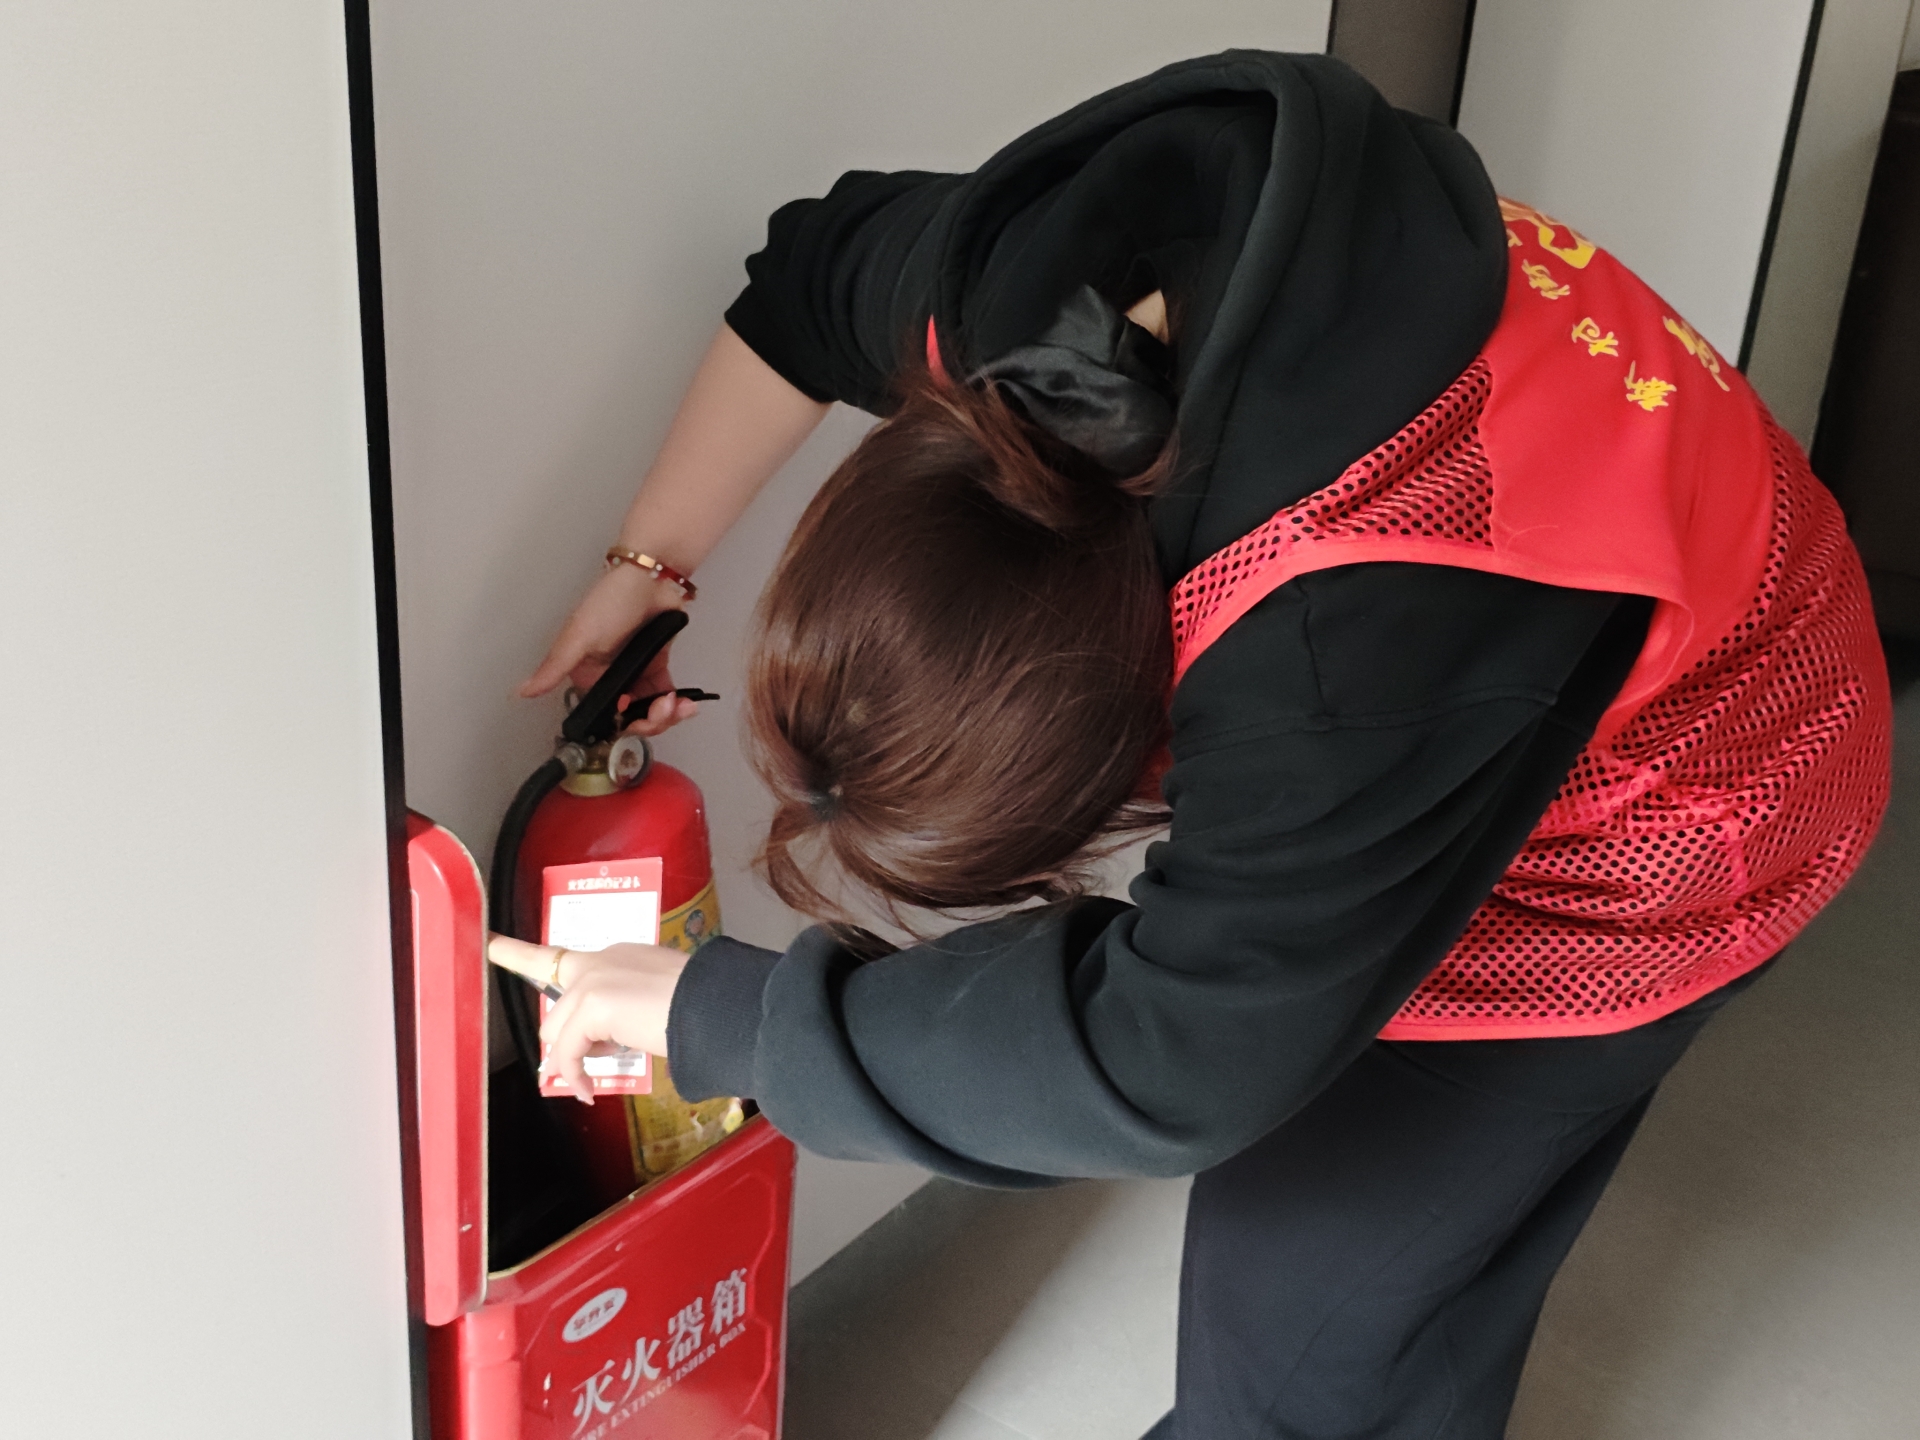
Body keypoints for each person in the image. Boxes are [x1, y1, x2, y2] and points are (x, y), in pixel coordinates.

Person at [488, 51, 1893, 1439]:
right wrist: (647, 570)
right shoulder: (1013, 318)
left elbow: (1175, 1059)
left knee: (1314, 1356)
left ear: (1148, 730)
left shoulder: (1329, 664)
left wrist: (725, 1021)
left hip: (1705, 785)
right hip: (1541, 623)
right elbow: (808, 281)